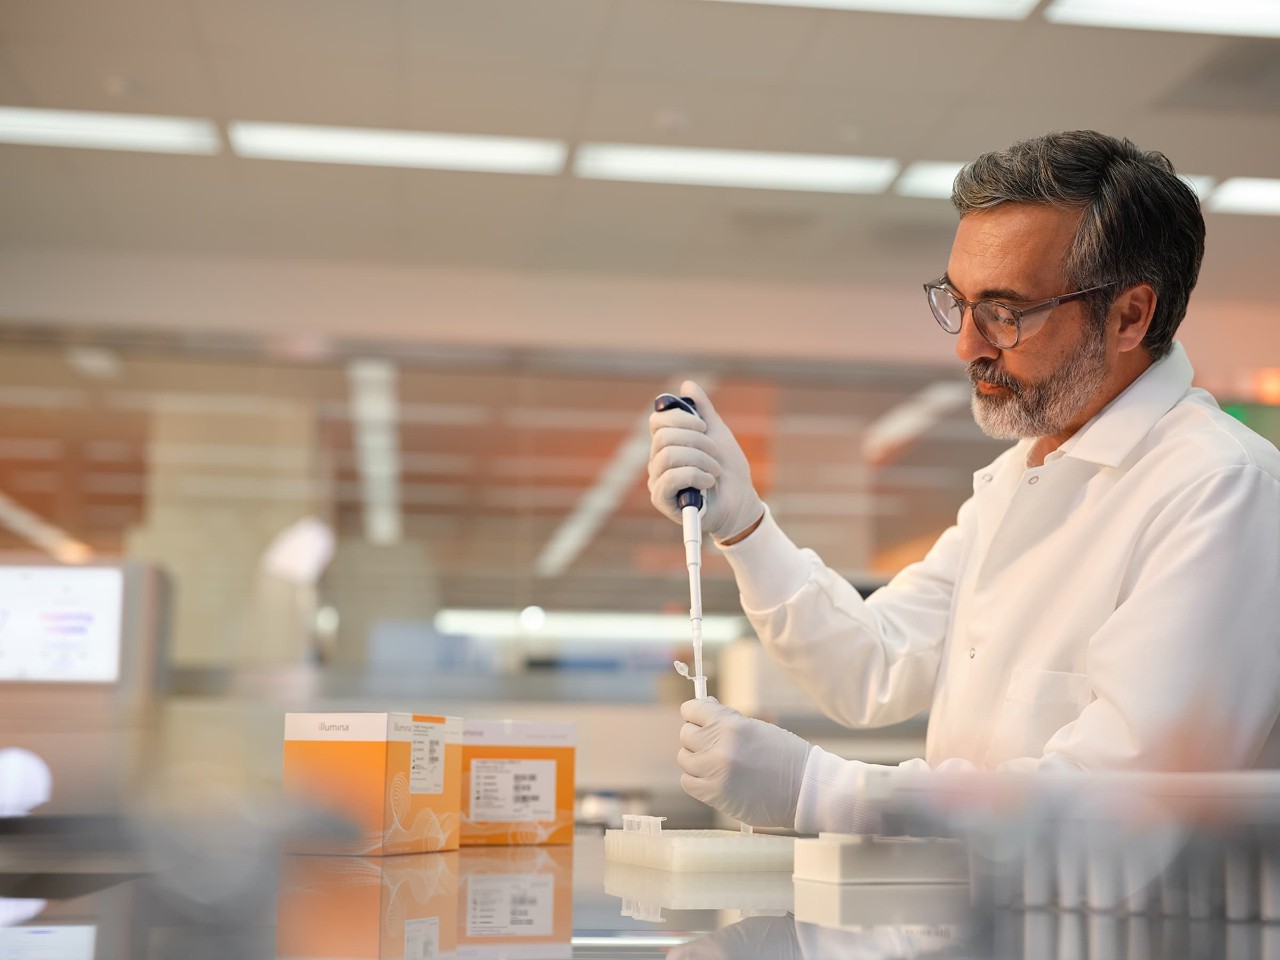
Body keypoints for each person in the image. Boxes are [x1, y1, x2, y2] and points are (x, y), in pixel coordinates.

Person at [647, 130, 1280, 835]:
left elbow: (1125, 802)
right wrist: (746, 526)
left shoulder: (1219, 490)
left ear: (1130, 316)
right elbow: (874, 664)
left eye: (1005, 313)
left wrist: (822, 792)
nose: (967, 345)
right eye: (959, 302)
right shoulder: (1022, 477)